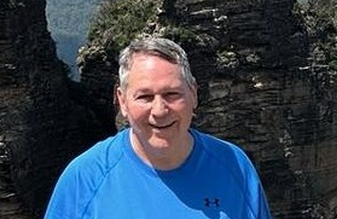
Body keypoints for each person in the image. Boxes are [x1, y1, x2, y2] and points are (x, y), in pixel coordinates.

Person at [44, 36, 272, 218]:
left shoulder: (234, 166)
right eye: (144, 97)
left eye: (172, 94)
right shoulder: (84, 178)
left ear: (193, 94)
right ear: (122, 101)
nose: (160, 110)